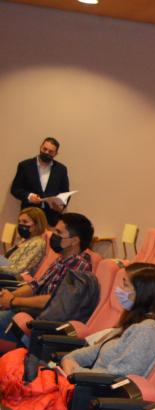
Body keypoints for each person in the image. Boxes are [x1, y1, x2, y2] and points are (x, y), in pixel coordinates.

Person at [62, 263, 155, 410]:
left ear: (144, 292)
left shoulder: (148, 331)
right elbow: (100, 348)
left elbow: (121, 376)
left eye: (126, 285)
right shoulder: (135, 321)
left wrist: (76, 373)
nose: (119, 290)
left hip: (98, 401)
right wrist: (70, 358)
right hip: (85, 386)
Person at [0, 212, 93, 342]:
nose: (54, 236)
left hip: (41, 321)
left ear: (75, 240)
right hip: (29, 310)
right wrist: (7, 298)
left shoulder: (78, 267)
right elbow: (36, 286)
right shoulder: (62, 259)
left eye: (59, 233)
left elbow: (53, 300)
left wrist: (13, 301)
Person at [10, 137, 70, 225]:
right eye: (44, 149)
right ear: (40, 147)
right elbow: (15, 189)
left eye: (50, 151)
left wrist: (61, 206)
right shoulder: (25, 165)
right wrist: (29, 196)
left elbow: (65, 192)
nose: (46, 152)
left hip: (51, 218)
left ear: (56, 153)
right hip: (28, 217)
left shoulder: (61, 169)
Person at [0, 207, 48, 278]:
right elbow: (8, 261)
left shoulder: (38, 243)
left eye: (25, 222)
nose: (20, 224)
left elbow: (18, 269)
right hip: (5, 274)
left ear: (37, 224)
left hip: (13, 279)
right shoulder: (25, 240)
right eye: (19, 221)